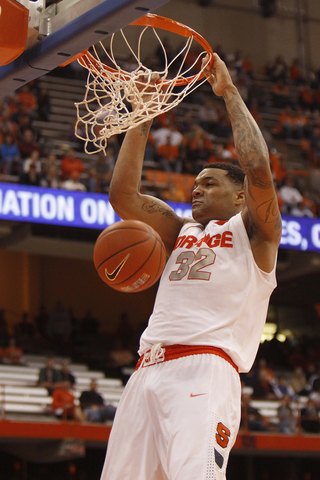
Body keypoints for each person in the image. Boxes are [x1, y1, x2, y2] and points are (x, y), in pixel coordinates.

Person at [99, 52, 281, 480]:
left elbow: (257, 168)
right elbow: (123, 196)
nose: (195, 190)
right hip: (146, 370)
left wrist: (229, 93)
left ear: (239, 197)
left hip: (204, 368)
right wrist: (145, 113)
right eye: (195, 184)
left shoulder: (256, 232)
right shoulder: (179, 230)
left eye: (209, 183)